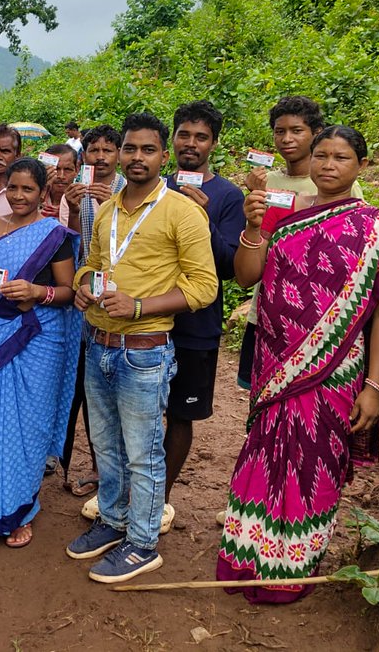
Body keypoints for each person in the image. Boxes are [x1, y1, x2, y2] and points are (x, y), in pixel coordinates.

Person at [218, 126, 379, 603]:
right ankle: (247, 557)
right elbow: (247, 278)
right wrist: (250, 227)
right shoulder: (283, 216)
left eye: (341, 157)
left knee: (314, 463)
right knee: (264, 455)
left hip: (336, 369)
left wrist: (376, 386)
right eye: (321, 156)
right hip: (275, 361)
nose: (328, 165)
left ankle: (291, 568)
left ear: (361, 167)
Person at [66, 112, 217, 583]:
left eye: (147, 150)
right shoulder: (108, 209)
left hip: (144, 349)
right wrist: (83, 285)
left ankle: (143, 541)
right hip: (98, 343)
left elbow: (204, 287)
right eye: (129, 148)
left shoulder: (182, 211)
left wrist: (138, 305)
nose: (136, 157)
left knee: (143, 452)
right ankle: (111, 520)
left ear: (162, 156)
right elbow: (90, 264)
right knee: (106, 445)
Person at [0, 158, 79, 548]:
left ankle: (21, 510)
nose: (20, 196)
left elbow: (69, 292)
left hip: (38, 340)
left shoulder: (53, 235)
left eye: (28, 189)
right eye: (14, 188)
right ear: (4, 190)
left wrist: (36, 293)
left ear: (43, 193)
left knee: (28, 426)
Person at [237, 97, 363, 390]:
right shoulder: (267, 182)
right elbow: (255, 249)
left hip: (318, 314)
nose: (287, 139)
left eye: (297, 130)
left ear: (316, 133)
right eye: (280, 132)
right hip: (267, 311)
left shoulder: (339, 186)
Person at [162, 101, 245, 533]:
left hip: (196, 325)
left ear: (214, 143)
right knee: (133, 411)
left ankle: (161, 499)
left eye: (201, 137)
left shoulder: (228, 197)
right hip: (146, 323)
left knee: (180, 414)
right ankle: (127, 489)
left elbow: (231, 266)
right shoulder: (154, 185)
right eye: (184, 134)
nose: (190, 144)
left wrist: (200, 215)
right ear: (172, 139)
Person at [61, 124, 126, 497]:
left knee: (113, 388)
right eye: (94, 150)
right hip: (85, 299)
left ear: (117, 154)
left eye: (107, 150)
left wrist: (107, 207)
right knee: (84, 386)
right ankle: (75, 465)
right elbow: (75, 248)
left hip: (119, 299)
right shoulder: (79, 193)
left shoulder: (124, 191)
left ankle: (110, 474)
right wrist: (71, 209)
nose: (100, 156)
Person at [40, 143, 77, 224]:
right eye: (56, 169)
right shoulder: (35, 200)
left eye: (67, 169)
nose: (61, 176)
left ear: (76, 171)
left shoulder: (82, 204)